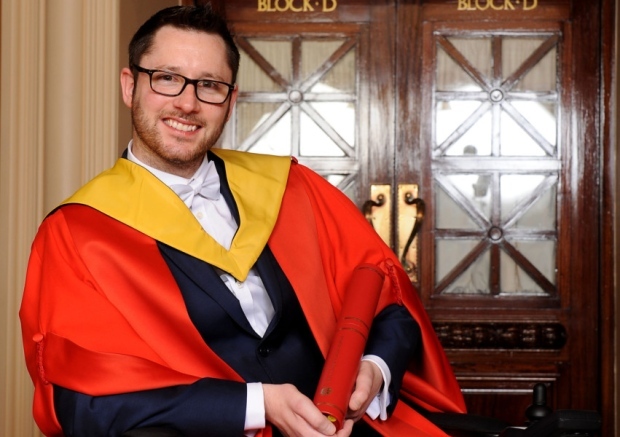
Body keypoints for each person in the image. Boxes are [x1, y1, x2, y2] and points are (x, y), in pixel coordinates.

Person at [19, 4, 465, 436]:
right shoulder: (78, 234)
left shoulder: (293, 188)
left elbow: (390, 302)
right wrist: (256, 405)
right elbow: (84, 404)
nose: (188, 103)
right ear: (129, 85)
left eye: (209, 85)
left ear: (231, 101)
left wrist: (374, 370)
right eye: (167, 78)